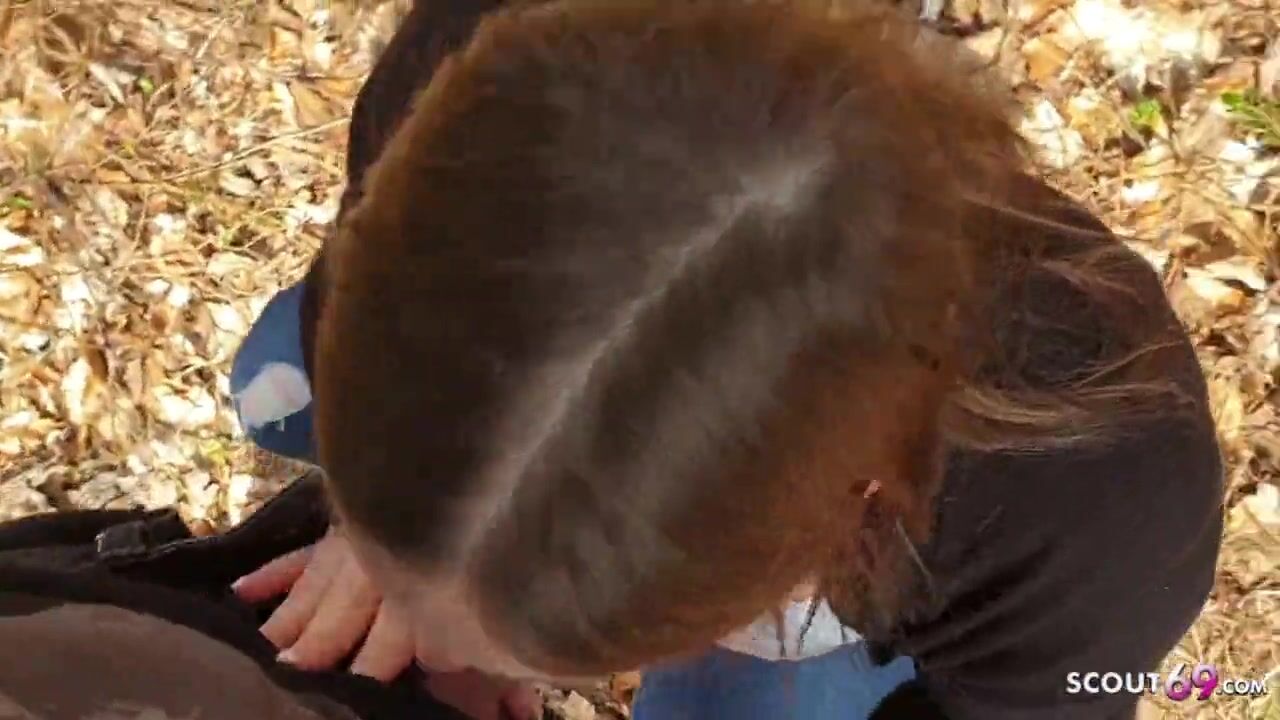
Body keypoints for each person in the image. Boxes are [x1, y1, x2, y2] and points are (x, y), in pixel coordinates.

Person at [228, 1, 1224, 718]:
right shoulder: (465, 85)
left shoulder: (1096, 510)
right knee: (268, 381)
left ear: (828, 529)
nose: (428, 653)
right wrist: (419, 555)